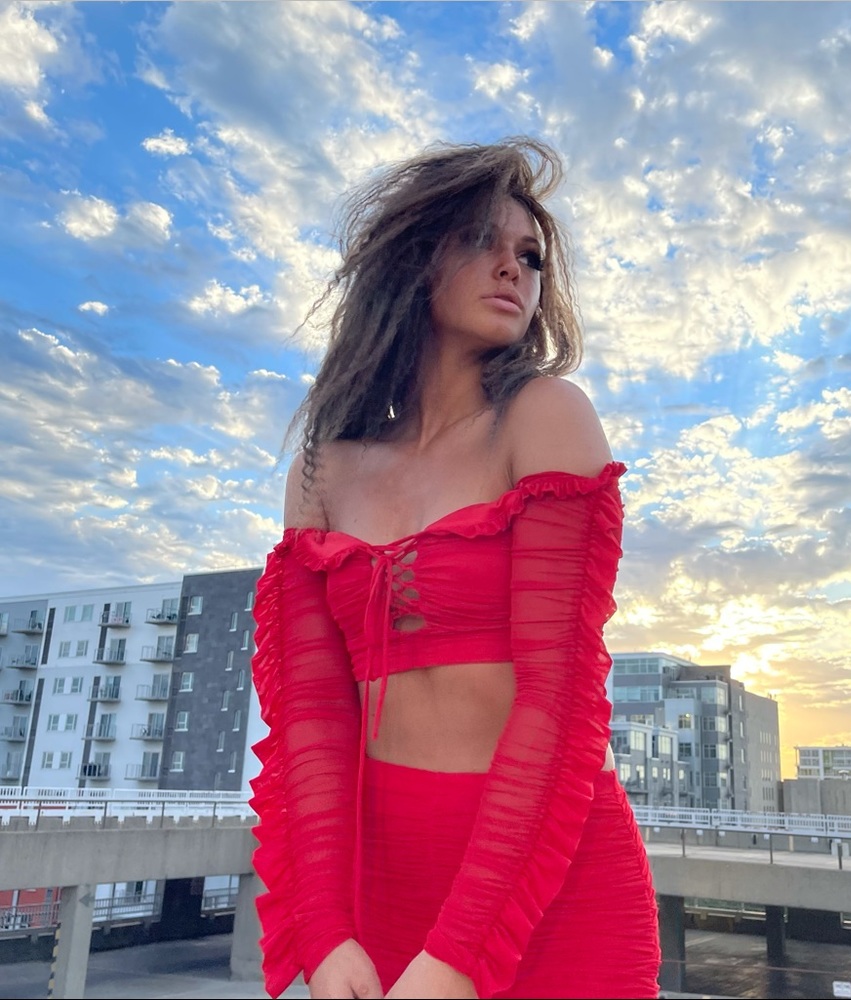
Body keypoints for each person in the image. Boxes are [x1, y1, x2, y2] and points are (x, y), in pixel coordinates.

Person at [249, 136, 660, 1000]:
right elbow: (311, 717)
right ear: (413, 260)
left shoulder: (544, 417)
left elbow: (561, 698)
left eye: (530, 255)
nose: (513, 269)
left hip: (550, 882)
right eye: (481, 239)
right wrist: (323, 933)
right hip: (382, 882)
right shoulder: (322, 469)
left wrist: (462, 955)